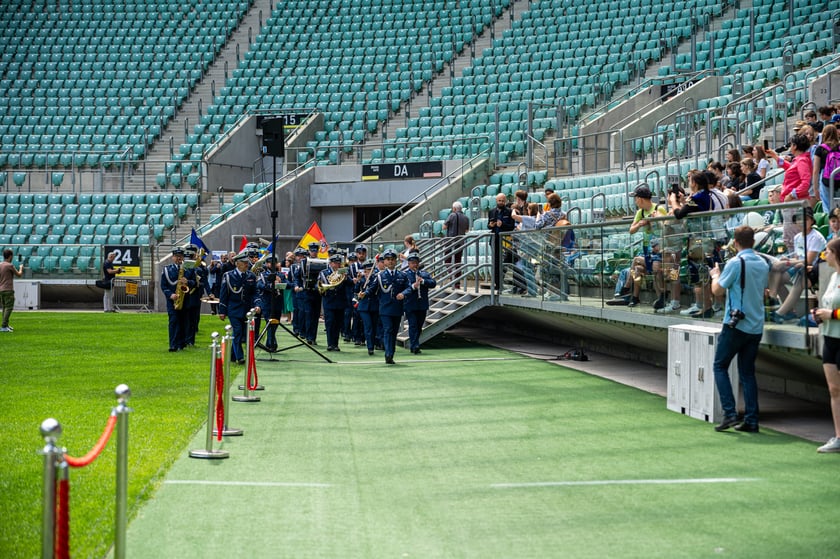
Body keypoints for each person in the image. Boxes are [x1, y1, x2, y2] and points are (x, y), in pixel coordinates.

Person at [710, 225, 771, 433]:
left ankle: (730, 413)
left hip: (735, 324)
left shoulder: (735, 263)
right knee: (747, 373)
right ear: (753, 241)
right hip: (756, 325)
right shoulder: (762, 263)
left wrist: (715, 275)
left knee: (720, 366)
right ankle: (752, 420)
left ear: (735, 243)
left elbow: (718, 290)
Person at [769, 206, 826, 323]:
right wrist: (788, 260)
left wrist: (788, 262)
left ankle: (780, 313)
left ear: (812, 221)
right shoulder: (797, 237)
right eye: (799, 219)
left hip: (814, 270)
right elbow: (797, 258)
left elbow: (808, 261)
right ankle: (784, 308)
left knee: (798, 279)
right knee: (777, 276)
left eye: (805, 219)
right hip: (799, 268)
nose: (802, 221)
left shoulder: (816, 237)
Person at [810, 237, 840, 452]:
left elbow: (834, 311)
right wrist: (819, 313)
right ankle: (839, 437)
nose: (824, 256)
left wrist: (833, 314)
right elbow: (829, 305)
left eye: (827, 252)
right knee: (834, 389)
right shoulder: (833, 276)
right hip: (830, 337)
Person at [362, 248, 407, 364]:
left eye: (392, 259)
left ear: (396, 261)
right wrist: (365, 293)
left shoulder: (402, 275)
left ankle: (391, 352)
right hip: (385, 308)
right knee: (388, 329)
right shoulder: (380, 276)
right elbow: (372, 289)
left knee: (394, 331)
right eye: (388, 259)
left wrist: (403, 294)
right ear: (384, 261)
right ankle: (388, 353)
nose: (390, 261)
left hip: (397, 308)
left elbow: (408, 288)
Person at [218, 249, 263, 364]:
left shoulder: (251, 275)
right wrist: (222, 311)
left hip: (246, 310)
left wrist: (258, 304)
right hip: (233, 309)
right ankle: (240, 357)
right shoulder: (228, 276)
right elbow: (223, 294)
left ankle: (233, 356)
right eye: (244, 263)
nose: (246, 265)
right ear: (237, 264)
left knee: (241, 333)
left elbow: (255, 293)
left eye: (247, 263)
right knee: (237, 331)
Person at [628, 184, 669, 308]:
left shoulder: (659, 209)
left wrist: (653, 221)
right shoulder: (640, 212)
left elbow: (666, 227)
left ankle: (661, 296)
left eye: (636, 199)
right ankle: (635, 297)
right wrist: (640, 224)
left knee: (654, 269)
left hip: (659, 249)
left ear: (640, 199)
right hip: (647, 248)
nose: (635, 201)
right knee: (637, 269)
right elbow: (631, 230)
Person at [401, 251, 437, 354]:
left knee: (419, 326)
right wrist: (413, 286)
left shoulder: (424, 274)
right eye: (412, 263)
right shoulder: (405, 275)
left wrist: (423, 281)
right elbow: (404, 287)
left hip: (422, 304)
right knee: (413, 325)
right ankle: (414, 346)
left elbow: (433, 283)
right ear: (408, 263)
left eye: (416, 263)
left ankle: (415, 342)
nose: (415, 265)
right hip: (410, 304)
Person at [160, 247, 195, 352]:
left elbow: (195, 283)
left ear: (183, 257)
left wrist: (188, 282)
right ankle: (173, 345)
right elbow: (163, 285)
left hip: (185, 300)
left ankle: (181, 343)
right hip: (172, 301)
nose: (178, 258)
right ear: (173, 257)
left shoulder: (189, 269)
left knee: (184, 322)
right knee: (173, 321)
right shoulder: (167, 269)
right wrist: (170, 295)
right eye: (176, 256)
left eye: (180, 256)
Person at [319, 253, 354, 351]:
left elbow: (351, 284)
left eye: (338, 263)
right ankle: (330, 344)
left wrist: (346, 278)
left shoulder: (343, 272)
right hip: (329, 300)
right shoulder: (324, 272)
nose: (337, 265)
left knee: (338, 323)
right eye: (335, 263)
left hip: (340, 300)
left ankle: (336, 344)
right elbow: (319, 284)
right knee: (330, 322)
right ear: (330, 263)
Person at [488, 193, 515, 291]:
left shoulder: (510, 211)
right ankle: (497, 283)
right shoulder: (492, 211)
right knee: (495, 262)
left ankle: (502, 282)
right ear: (496, 201)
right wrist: (491, 225)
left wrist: (502, 224)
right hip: (495, 239)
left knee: (505, 262)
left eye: (503, 201)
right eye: (499, 200)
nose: (501, 202)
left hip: (505, 241)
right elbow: (488, 225)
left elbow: (511, 226)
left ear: (505, 201)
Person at [442, 201, 470, 289]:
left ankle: (453, 278)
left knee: (447, 261)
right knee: (457, 262)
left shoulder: (452, 215)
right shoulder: (466, 218)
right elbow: (467, 230)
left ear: (454, 208)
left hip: (451, 242)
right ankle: (457, 283)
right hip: (460, 242)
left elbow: (444, 227)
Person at [813, 124, 840, 209]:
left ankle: (830, 217)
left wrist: (815, 188)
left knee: (827, 206)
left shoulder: (820, 149)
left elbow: (815, 170)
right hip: (839, 176)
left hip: (826, 178)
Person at [355, 260, 379, 355]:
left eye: (370, 270)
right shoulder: (362, 280)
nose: (368, 272)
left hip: (374, 305)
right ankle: (370, 347)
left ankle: (373, 343)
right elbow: (356, 290)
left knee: (374, 326)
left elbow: (373, 289)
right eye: (367, 270)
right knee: (368, 326)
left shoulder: (376, 279)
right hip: (364, 307)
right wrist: (358, 281)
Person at [0, 249, 23, 332]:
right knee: (9, 308)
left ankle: (5, 325)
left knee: (4, 308)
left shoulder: (0, 265)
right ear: (10, 256)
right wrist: (21, 268)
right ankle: (3, 326)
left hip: (1, 289)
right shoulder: (9, 265)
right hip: (8, 289)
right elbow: (19, 275)